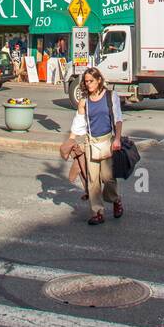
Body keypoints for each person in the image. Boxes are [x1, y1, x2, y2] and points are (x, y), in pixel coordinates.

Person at [59, 66, 123, 225]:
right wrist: (71, 140)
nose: (88, 84)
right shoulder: (84, 101)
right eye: (86, 81)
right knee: (93, 179)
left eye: (91, 81)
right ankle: (97, 212)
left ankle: (115, 200)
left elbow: (118, 119)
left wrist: (117, 139)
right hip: (91, 142)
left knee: (108, 177)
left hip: (107, 140)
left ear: (99, 80)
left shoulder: (110, 96)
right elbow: (78, 123)